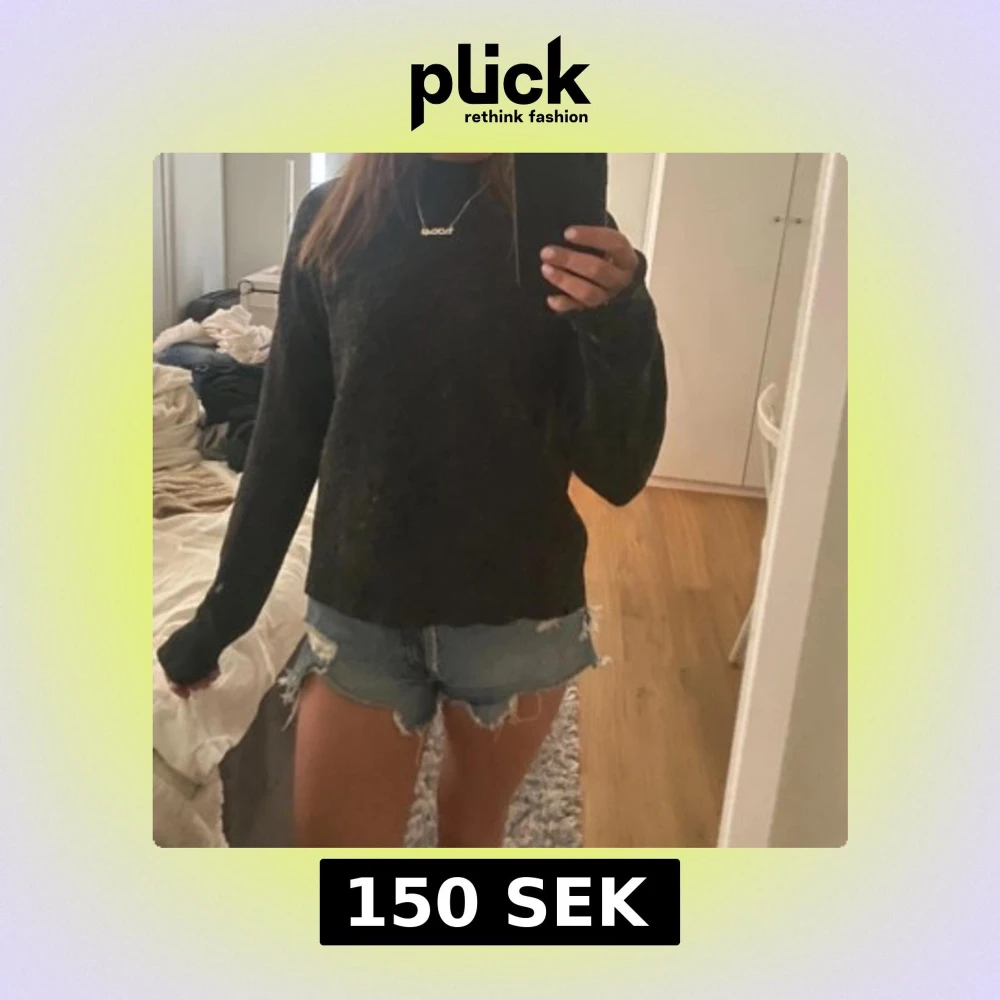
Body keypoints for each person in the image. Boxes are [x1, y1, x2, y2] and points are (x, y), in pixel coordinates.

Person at [157, 153, 667, 847]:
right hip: (360, 606)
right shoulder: (333, 221)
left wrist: (622, 318)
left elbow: (619, 470)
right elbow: (285, 439)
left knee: (471, 840)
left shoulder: (564, 229)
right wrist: (220, 618)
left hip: (517, 611)